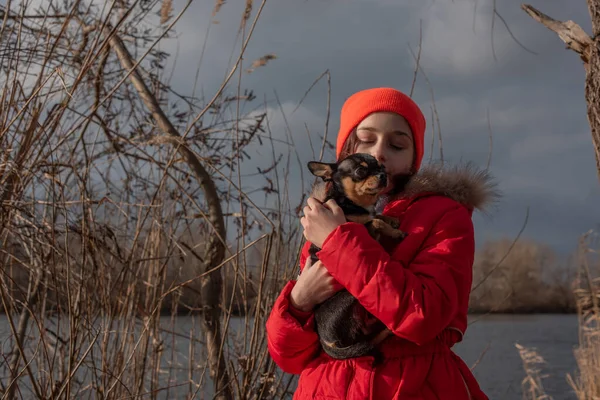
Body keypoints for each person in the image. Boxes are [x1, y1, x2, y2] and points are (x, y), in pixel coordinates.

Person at [266, 87, 494, 399]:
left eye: (397, 144)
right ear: (346, 150)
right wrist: (299, 301)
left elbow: (423, 318)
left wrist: (338, 241)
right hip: (325, 387)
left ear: (414, 159)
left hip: (412, 386)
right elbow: (290, 357)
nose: (379, 153)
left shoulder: (443, 216)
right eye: (366, 139)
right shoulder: (325, 217)